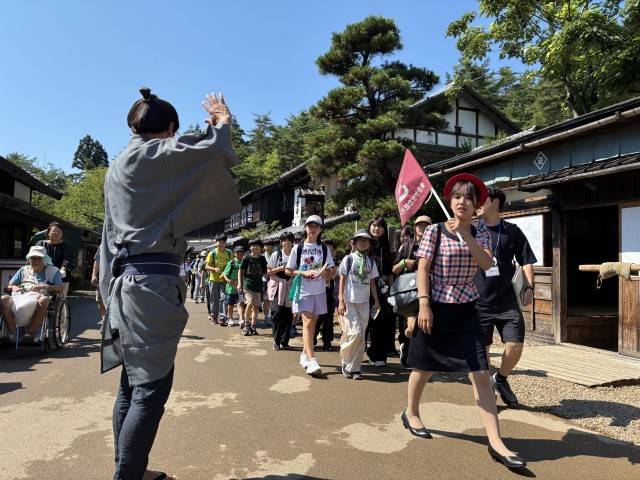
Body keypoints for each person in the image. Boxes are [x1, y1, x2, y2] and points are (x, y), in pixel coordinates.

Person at [98, 88, 241, 480]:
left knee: (132, 385)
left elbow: (108, 234)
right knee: (151, 388)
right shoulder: (155, 154)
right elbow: (211, 150)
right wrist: (222, 124)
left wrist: (104, 290)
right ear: (170, 128)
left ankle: (131, 470)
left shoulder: (118, 166)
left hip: (125, 283)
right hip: (151, 286)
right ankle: (128, 476)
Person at [403, 173, 526, 469]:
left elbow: (486, 263)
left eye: (469, 198)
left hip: (468, 308)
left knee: (481, 372)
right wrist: (423, 305)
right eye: (457, 197)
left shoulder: (480, 233)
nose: (462, 202)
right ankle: (411, 412)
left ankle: (496, 442)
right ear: (450, 201)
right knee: (424, 366)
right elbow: (423, 269)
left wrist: (466, 234)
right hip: (435, 306)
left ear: (477, 205)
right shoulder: (434, 230)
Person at [474, 187, 536, 407]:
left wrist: (529, 288)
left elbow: (526, 261)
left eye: (482, 200)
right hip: (478, 301)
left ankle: (500, 378)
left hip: (507, 301)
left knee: (515, 345)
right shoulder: (471, 231)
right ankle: (486, 396)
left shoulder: (512, 231)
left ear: (496, 202)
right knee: (482, 351)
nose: (477, 204)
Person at [285, 215, 335, 376]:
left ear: (321, 230)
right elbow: (288, 270)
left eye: (316, 226)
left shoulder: (324, 249)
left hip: (319, 290)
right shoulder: (298, 248)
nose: (313, 229)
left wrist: (326, 273)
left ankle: (304, 354)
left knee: (314, 322)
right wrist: (303, 272)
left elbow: (331, 271)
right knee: (307, 323)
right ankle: (312, 360)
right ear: (305, 228)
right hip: (303, 290)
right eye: (310, 226)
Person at [337, 230, 381, 380]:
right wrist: (340, 300)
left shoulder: (371, 262)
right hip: (349, 301)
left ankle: (355, 368)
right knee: (354, 332)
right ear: (354, 243)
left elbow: (372, 282)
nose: (363, 242)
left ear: (369, 244)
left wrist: (376, 301)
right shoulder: (348, 259)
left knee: (362, 335)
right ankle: (346, 361)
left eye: (366, 240)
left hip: (364, 302)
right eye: (360, 240)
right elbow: (342, 279)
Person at [0, 245, 64, 342]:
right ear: (29, 260)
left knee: (44, 300)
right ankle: (13, 334)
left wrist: (44, 286)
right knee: (4, 299)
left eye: (39, 258)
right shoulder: (23, 270)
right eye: (33, 258)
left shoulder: (53, 271)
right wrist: (14, 287)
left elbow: (60, 287)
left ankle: (29, 333)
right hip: (22, 297)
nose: (36, 261)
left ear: (45, 259)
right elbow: (10, 285)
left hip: (40, 298)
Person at [392, 215, 431, 367]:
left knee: (425, 326)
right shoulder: (407, 246)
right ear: (414, 228)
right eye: (420, 225)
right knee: (412, 327)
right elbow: (394, 269)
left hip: (429, 290)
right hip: (410, 292)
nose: (423, 228)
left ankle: (416, 354)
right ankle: (406, 344)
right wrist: (404, 262)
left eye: (426, 225)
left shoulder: (435, 246)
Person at [366, 216, 395, 367]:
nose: (376, 228)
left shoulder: (385, 249)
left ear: (384, 230)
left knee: (379, 323)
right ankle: (355, 354)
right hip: (363, 289)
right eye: (374, 225)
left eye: (380, 226)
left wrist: (391, 292)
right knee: (363, 323)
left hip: (380, 291)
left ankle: (377, 355)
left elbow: (389, 272)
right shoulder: (363, 243)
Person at [266, 232, 294, 350]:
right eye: (284, 240)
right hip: (277, 286)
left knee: (288, 315)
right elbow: (269, 271)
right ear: (281, 242)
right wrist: (281, 268)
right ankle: (276, 340)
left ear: (292, 242)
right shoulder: (276, 255)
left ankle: (285, 341)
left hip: (290, 286)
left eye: (289, 240)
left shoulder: (296, 254)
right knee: (277, 313)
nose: (286, 243)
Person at [36, 221, 74, 299]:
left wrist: (63, 269)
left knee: (60, 300)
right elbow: (33, 257)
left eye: (59, 231)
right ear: (48, 233)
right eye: (54, 231)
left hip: (61, 277)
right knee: (41, 298)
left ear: (62, 234)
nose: (56, 233)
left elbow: (68, 260)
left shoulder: (65, 246)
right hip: (43, 276)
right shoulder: (41, 244)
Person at [238, 238, 267, 336]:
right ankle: (246, 324)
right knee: (250, 302)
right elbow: (240, 270)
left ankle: (253, 326)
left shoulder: (262, 259)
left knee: (256, 306)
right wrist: (240, 283)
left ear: (260, 247)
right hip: (248, 284)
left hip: (258, 285)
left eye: (257, 246)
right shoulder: (247, 258)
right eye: (253, 245)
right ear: (250, 247)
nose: (255, 247)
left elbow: (265, 272)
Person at [314, 237, 337, 351]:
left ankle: (327, 342)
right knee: (317, 317)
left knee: (328, 318)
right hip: (317, 292)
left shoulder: (336, 263)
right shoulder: (316, 262)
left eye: (331, 250)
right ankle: (312, 337)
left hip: (330, 294)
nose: (329, 253)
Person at [206, 233, 232, 325]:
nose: (221, 243)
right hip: (214, 279)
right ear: (216, 242)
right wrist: (214, 269)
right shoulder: (212, 253)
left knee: (224, 297)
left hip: (224, 279)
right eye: (219, 241)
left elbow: (231, 264)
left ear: (226, 243)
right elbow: (207, 266)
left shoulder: (229, 252)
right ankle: (213, 316)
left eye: (223, 241)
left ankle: (223, 318)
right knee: (214, 298)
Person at [221, 246, 245, 327]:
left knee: (240, 303)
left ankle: (241, 319)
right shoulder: (232, 263)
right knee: (230, 304)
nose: (240, 255)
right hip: (231, 288)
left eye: (241, 253)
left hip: (241, 287)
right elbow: (225, 273)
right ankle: (230, 318)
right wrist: (227, 280)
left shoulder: (245, 262)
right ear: (234, 254)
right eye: (238, 253)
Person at [91, 249, 107, 333]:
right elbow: (97, 261)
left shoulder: (122, 243)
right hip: (103, 279)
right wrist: (94, 275)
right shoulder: (103, 245)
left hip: (117, 277)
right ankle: (104, 320)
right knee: (100, 301)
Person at [262, 240, 274, 327]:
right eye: (266, 245)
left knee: (273, 299)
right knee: (266, 299)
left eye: (269, 245)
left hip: (274, 279)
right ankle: (266, 317)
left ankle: (272, 316)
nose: (267, 247)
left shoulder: (276, 255)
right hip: (264, 280)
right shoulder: (262, 256)